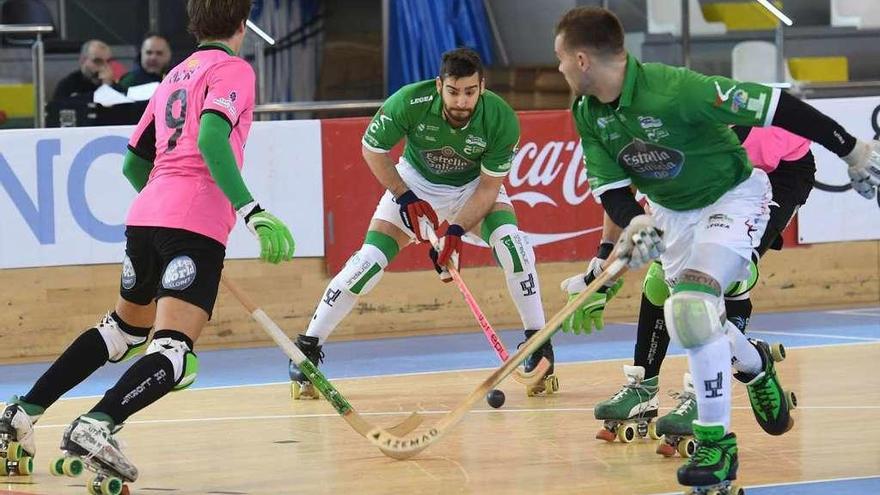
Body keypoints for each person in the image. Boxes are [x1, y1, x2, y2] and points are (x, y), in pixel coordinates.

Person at [553, 6, 879, 492]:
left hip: (733, 197)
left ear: (582, 60)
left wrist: (850, 148)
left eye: (559, 58)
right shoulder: (588, 113)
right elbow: (612, 189)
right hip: (671, 214)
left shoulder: (676, 88)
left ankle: (717, 446)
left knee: (689, 303)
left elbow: (777, 105)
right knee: (696, 315)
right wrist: (635, 220)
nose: (556, 68)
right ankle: (754, 364)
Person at [0, 0, 295, 485]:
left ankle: (22, 412)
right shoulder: (235, 71)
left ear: (194, 25)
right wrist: (251, 212)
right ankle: (98, 424)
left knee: (124, 331)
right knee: (175, 352)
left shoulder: (174, 76)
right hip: (194, 220)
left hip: (147, 216)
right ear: (242, 26)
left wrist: (165, 215)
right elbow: (213, 141)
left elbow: (133, 163)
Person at [287, 47, 554, 399]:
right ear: (439, 85)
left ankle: (539, 347)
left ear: (482, 87)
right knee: (366, 265)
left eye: (470, 92)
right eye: (454, 91)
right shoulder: (409, 101)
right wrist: (404, 196)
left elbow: (490, 187)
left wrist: (455, 232)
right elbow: (372, 149)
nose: (462, 101)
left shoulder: (501, 120)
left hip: (472, 189)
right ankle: (306, 348)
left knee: (513, 247)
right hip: (414, 183)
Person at [573, 125, 816, 456]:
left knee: (723, 276)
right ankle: (644, 386)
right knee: (662, 278)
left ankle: (714, 385)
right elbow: (624, 202)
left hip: (777, 171)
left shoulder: (677, 128)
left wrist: (851, 151)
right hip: (710, 172)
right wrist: (603, 268)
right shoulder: (620, 133)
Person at [51, 39, 116, 101]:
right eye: (98, 61)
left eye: (108, 61)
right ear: (83, 60)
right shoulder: (68, 85)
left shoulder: (113, 86)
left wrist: (107, 86)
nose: (103, 67)